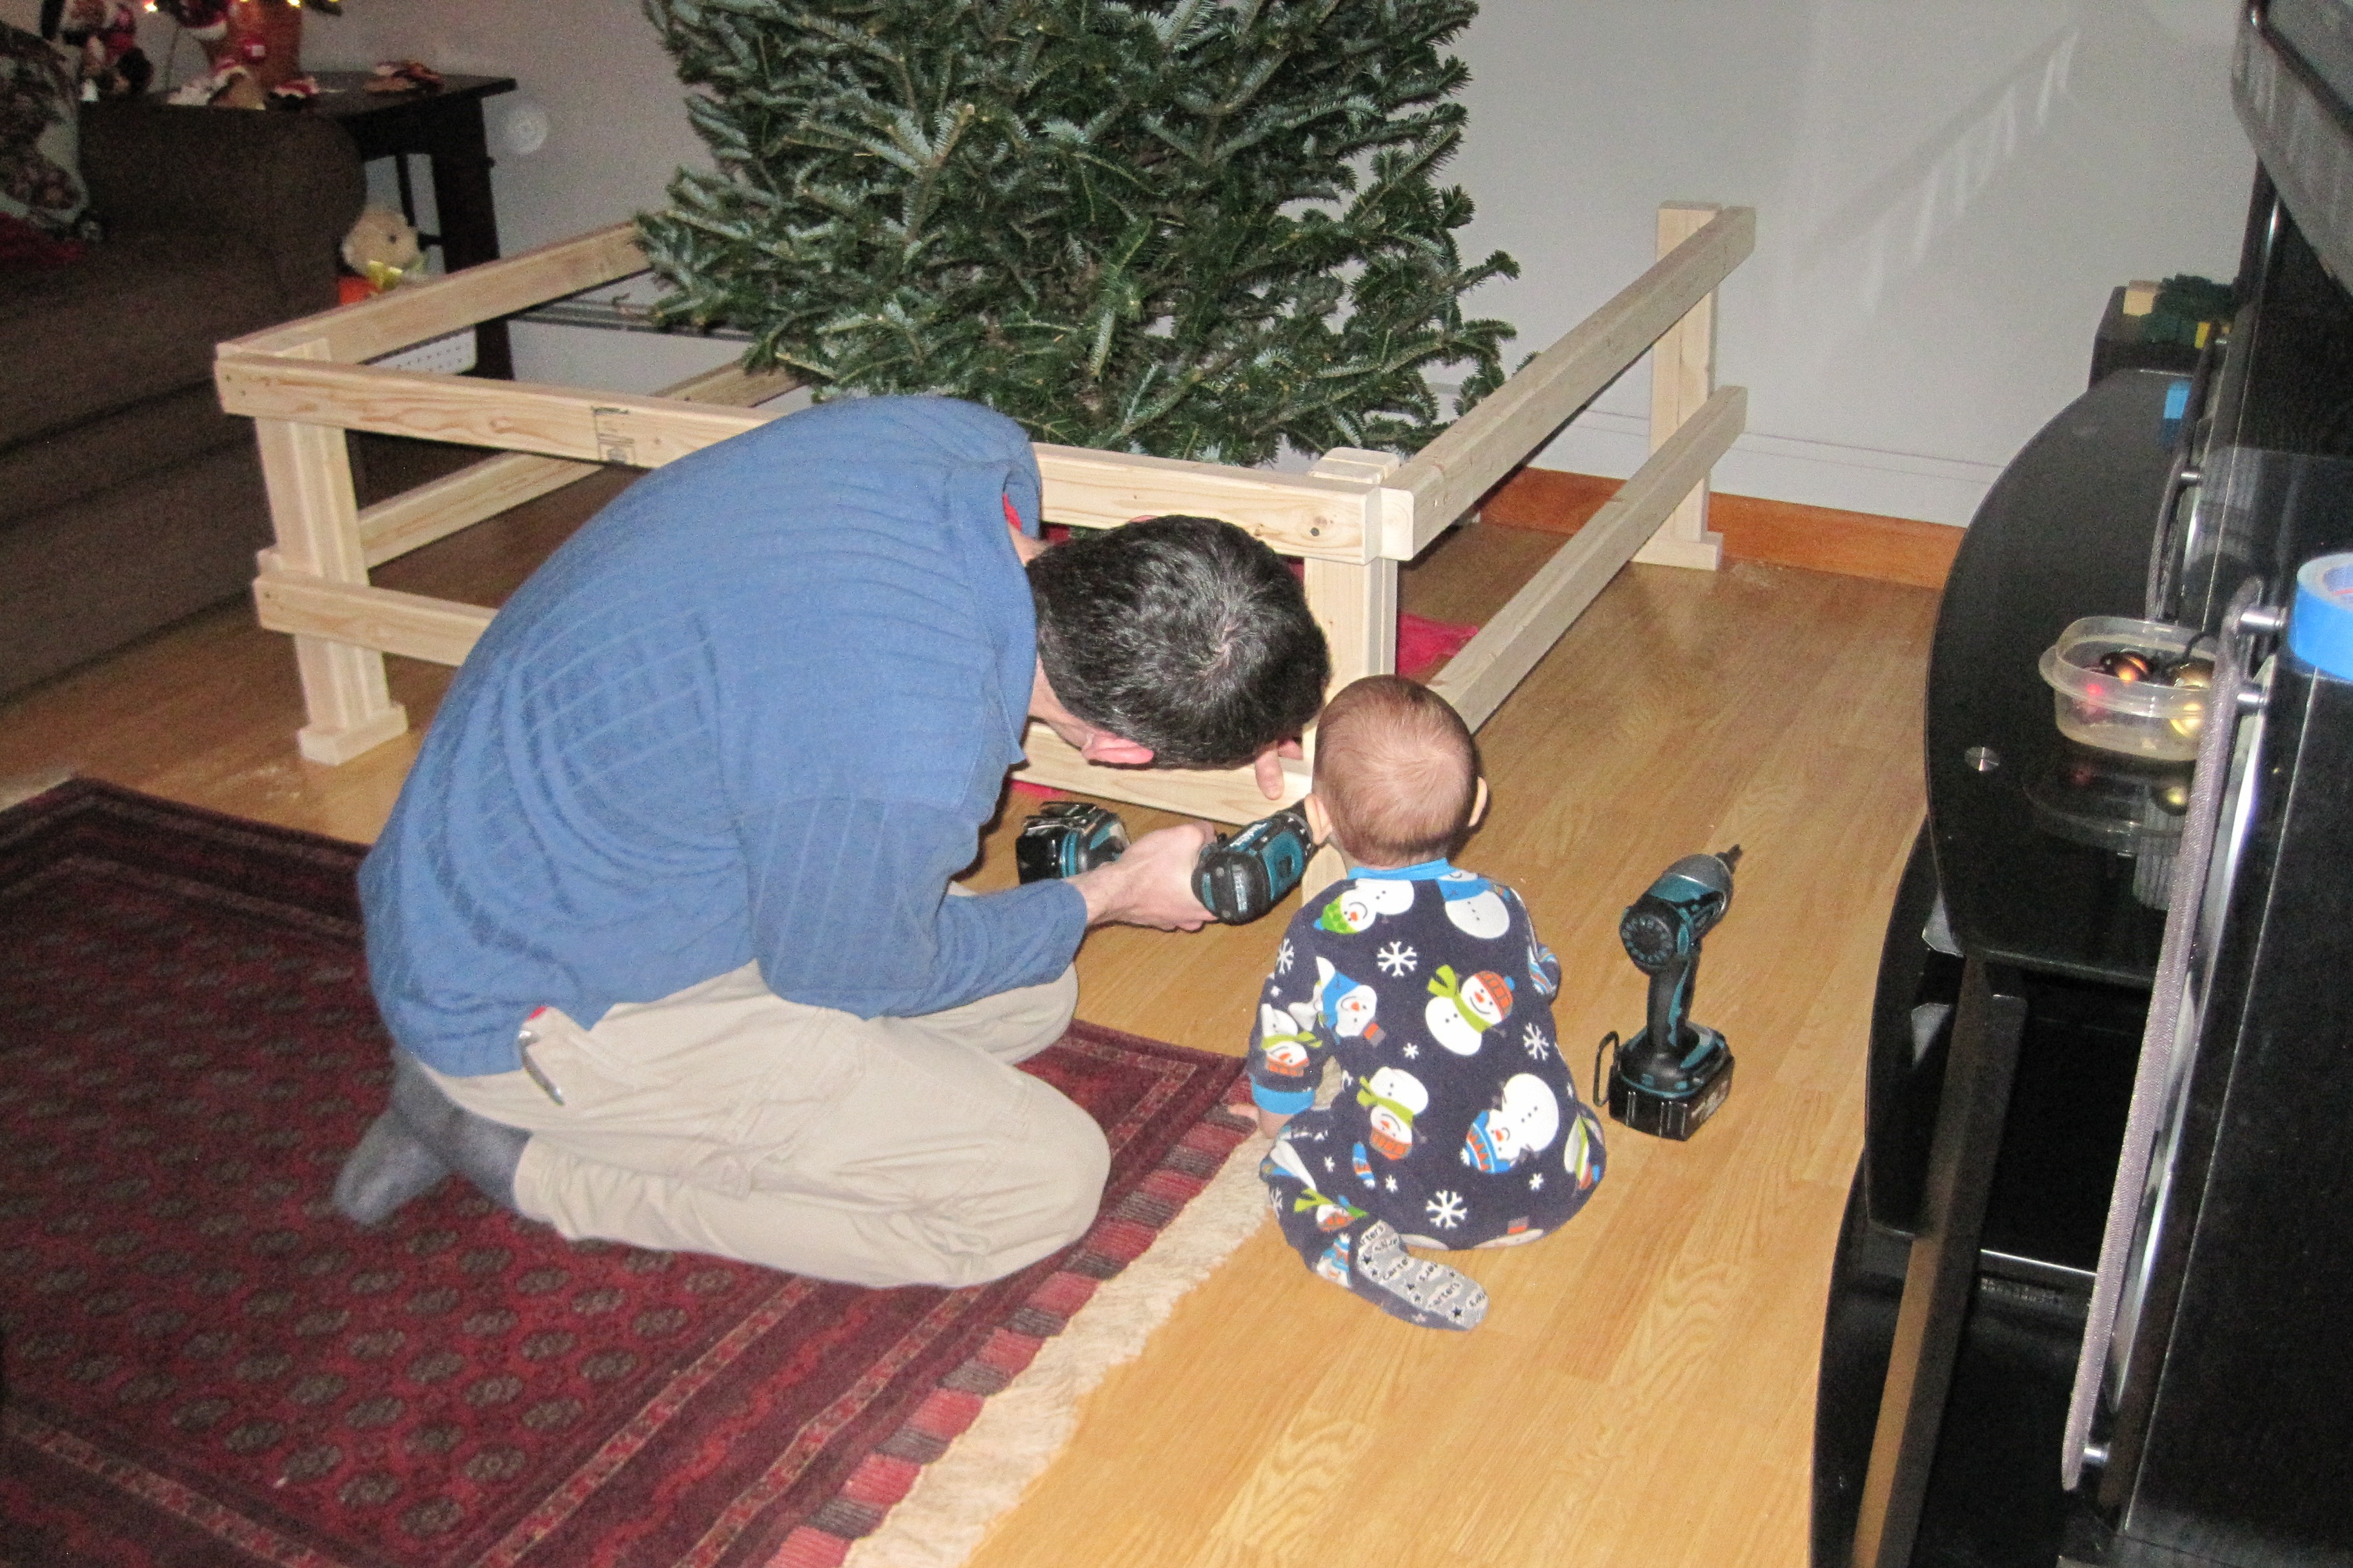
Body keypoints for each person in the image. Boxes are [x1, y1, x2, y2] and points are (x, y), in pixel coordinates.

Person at [334, 394, 1328, 1289]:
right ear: (1115, 748)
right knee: (1042, 1181)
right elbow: (850, 974)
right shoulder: (902, 743)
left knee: (1033, 991)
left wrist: (1249, 703)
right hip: (527, 995)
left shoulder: (960, 448)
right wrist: (1108, 893)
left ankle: (663, 1101)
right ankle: (515, 1149)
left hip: (541, 855)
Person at [1247, 675, 1606, 1331]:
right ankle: (1547, 1163)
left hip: (1413, 1201)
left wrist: (1282, 1126)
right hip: (1559, 1185)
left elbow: (1285, 1047)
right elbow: (1539, 978)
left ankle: (1353, 1249)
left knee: (1287, 1165)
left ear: (1318, 817)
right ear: (1477, 805)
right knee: (1560, 1105)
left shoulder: (1322, 929)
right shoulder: (1501, 903)